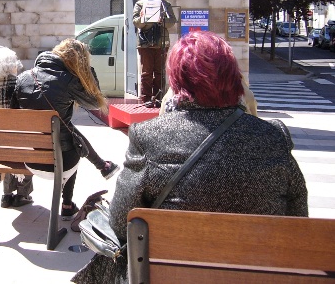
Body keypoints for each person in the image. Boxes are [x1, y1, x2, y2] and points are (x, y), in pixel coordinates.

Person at [72, 31, 308, 284]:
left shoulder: (148, 136)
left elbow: (121, 223)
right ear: (233, 78)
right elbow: (298, 224)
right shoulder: (273, 136)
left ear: (177, 81)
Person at [12, 38, 120, 220]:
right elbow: (95, 103)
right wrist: (87, 71)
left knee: (64, 128)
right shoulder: (68, 80)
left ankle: (102, 166)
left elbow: (13, 117)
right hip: (60, 162)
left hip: (30, 159)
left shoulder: (23, 78)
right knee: (69, 139)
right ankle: (67, 203)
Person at [0, 46, 34, 208]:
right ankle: (22, 195)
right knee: (23, 142)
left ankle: (6, 195)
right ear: (11, 66)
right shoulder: (21, 85)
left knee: (7, 144)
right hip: (22, 149)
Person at [132, 0, 177, 103]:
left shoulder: (164, 4)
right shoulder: (140, 4)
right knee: (146, 72)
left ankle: (159, 98)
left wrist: (163, 20)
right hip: (145, 42)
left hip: (161, 42)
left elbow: (172, 21)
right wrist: (142, 18)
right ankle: (146, 98)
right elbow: (136, 22)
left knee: (160, 72)